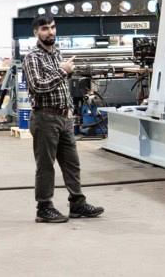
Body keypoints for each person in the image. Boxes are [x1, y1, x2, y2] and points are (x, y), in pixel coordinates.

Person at [22, 15, 105, 223]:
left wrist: (69, 109)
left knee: (72, 163)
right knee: (46, 165)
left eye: (52, 27)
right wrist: (62, 71)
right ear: (36, 33)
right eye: (44, 29)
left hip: (64, 118)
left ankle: (77, 203)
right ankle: (44, 208)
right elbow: (37, 87)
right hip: (45, 118)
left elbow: (59, 85)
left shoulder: (57, 53)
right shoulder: (32, 57)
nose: (50, 32)